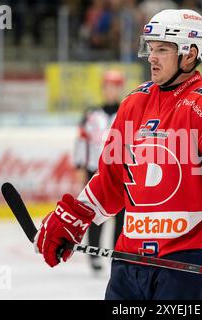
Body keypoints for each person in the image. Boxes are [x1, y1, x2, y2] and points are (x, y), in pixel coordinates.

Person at [34, 9, 202, 300]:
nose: (151, 57)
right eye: (151, 48)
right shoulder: (133, 102)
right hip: (128, 263)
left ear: (190, 54)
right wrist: (76, 216)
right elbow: (111, 178)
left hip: (186, 265)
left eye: (163, 49)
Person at [73, 69, 126, 272]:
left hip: (120, 171)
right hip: (95, 170)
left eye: (115, 86)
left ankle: (117, 253)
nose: (111, 90)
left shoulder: (126, 111)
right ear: (103, 88)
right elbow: (82, 141)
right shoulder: (91, 114)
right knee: (94, 214)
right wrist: (79, 166)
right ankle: (94, 254)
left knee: (121, 217)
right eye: (108, 86)